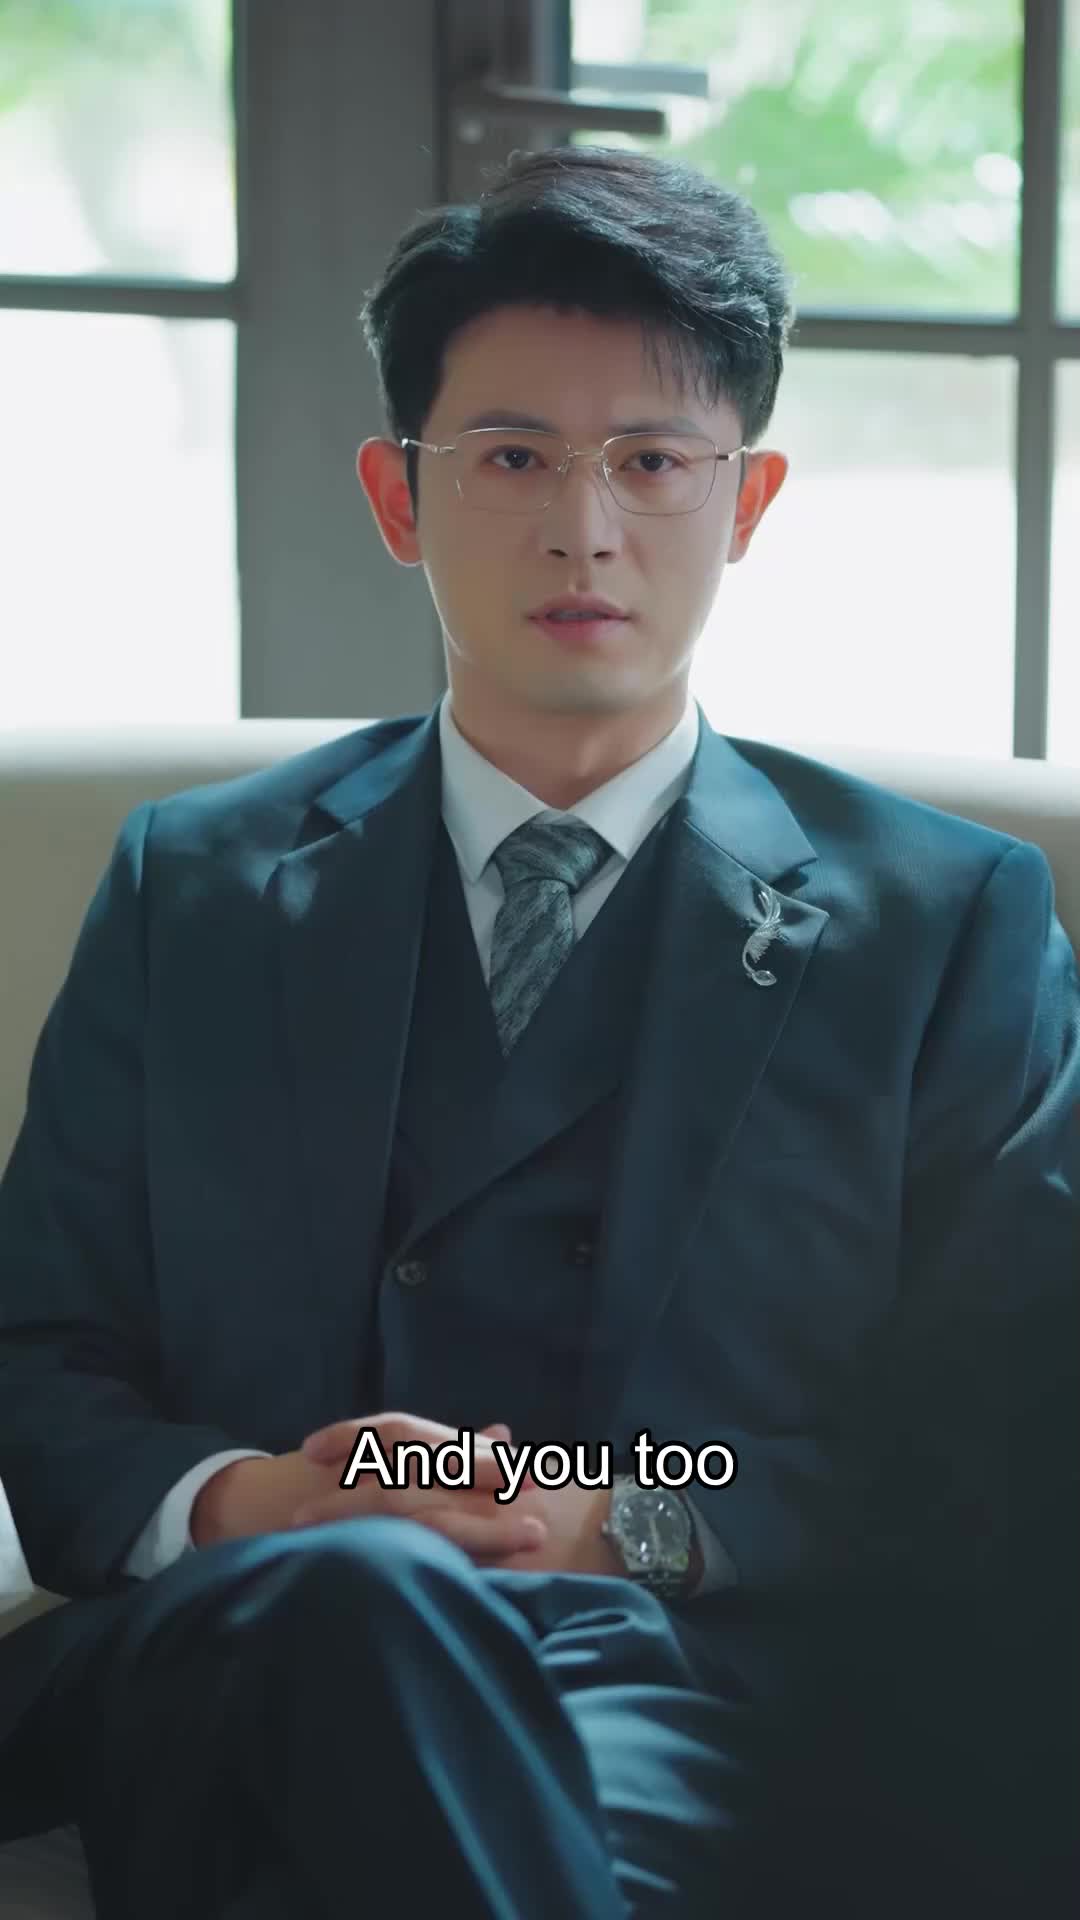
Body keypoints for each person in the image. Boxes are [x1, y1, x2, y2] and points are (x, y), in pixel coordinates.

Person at [0, 143, 1077, 1920]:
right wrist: (258, 1501)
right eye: (511, 457)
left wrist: (621, 1521)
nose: (585, 526)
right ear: (398, 496)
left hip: (679, 1679)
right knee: (361, 1609)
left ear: (747, 501)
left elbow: (1006, 1454)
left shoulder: (946, 926)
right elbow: (38, 1348)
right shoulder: (195, 887)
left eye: (652, 461)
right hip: (246, 1642)